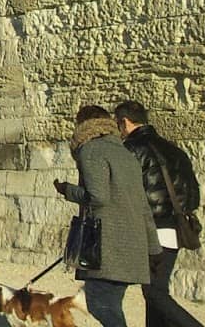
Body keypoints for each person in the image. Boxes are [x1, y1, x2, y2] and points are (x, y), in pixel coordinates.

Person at [54, 104, 160, 327]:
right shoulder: (125, 153)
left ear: (83, 125)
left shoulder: (90, 150)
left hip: (108, 247)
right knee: (110, 302)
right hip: (132, 245)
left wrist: (67, 190)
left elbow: (98, 197)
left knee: (100, 302)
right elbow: (142, 204)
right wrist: (152, 248)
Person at [114, 101, 205, 327]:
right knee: (155, 291)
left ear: (125, 122)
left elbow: (125, 194)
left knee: (154, 292)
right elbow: (193, 195)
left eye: (119, 124)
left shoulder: (130, 150)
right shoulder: (175, 150)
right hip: (176, 229)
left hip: (153, 230)